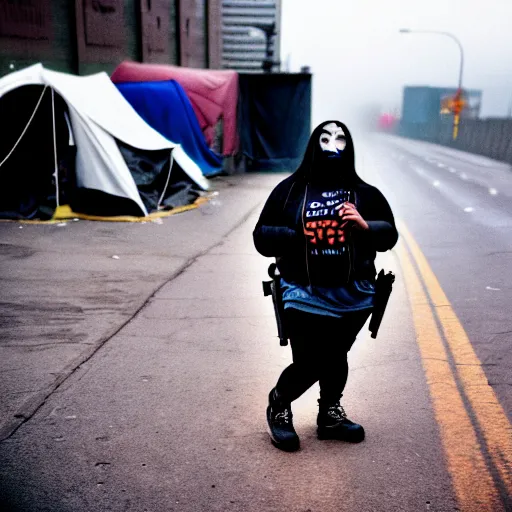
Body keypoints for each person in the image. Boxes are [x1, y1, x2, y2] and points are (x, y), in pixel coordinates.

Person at [253, 121, 398, 452]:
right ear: (314, 144)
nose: (333, 143)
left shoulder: (365, 193)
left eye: (341, 138)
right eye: (325, 137)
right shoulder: (289, 190)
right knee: (311, 360)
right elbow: (261, 236)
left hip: (355, 295)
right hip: (303, 292)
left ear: (349, 145)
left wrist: (365, 225)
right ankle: (279, 404)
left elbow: (388, 234)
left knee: (335, 355)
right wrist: (293, 235)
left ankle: (329, 415)